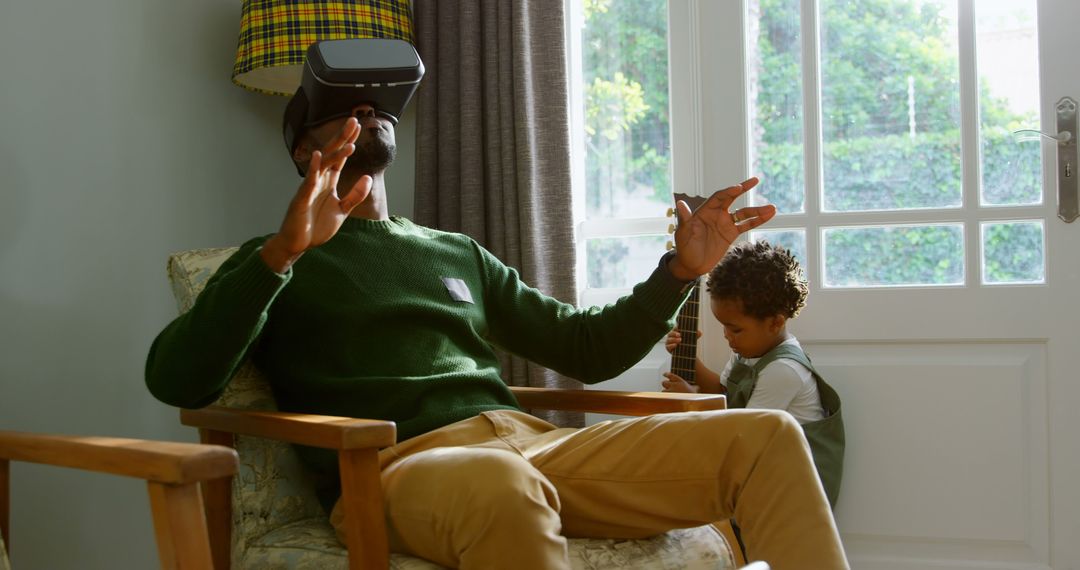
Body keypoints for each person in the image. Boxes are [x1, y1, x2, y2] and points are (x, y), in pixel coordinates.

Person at [144, 99, 849, 569]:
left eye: (379, 101)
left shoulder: (453, 251)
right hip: (400, 472)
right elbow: (178, 380)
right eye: (343, 105)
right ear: (305, 150)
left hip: (534, 445)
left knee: (766, 437)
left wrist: (678, 272)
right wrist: (283, 255)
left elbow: (587, 350)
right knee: (500, 482)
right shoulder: (272, 260)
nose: (369, 106)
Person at [661, 241, 845, 507]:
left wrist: (694, 400)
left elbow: (744, 433)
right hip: (760, 468)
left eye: (735, 329)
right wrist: (688, 356)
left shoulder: (784, 370)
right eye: (723, 326)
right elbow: (723, 393)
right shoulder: (749, 351)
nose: (727, 336)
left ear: (775, 323)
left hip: (793, 487)